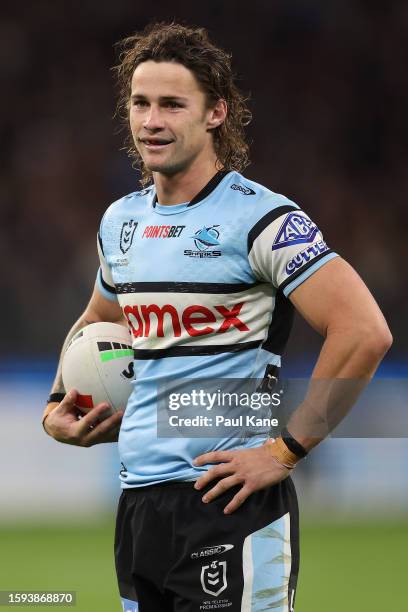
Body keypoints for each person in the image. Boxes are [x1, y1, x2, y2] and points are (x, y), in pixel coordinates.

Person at [42, 22, 392, 612]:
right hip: (139, 508)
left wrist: (284, 451)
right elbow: (98, 322)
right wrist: (58, 409)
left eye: (172, 104)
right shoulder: (120, 222)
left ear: (215, 114)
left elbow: (364, 332)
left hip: (229, 503)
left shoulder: (263, 220)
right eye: (140, 103)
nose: (151, 120)